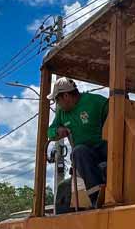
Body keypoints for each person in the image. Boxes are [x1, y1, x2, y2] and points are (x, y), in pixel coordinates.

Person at [46, 78, 108, 208]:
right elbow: (50, 131)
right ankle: (96, 198)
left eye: (57, 100)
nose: (57, 104)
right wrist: (57, 131)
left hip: (105, 147)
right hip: (86, 153)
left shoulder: (95, 102)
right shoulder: (62, 113)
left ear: (66, 96)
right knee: (78, 151)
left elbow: (116, 113)